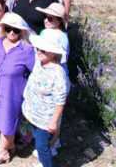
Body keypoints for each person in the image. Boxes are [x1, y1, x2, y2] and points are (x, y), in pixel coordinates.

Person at [0, 13, 36, 165]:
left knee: (8, 119)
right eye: (8, 29)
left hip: (14, 91)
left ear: (21, 31)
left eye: (15, 30)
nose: (12, 33)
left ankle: (2, 152)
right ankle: (11, 147)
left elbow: (35, 71)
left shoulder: (26, 50)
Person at [22, 31, 69, 167]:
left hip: (45, 119)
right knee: (38, 140)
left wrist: (53, 121)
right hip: (33, 113)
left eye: (43, 50)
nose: (39, 52)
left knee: (42, 147)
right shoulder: (39, 62)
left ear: (53, 53)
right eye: (38, 48)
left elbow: (60, 101)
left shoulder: (58, 74)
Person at [38, 3, 71, 75]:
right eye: (44, 17)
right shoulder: (43, 32)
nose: (46, 21)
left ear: (60, 21)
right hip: (42, 68)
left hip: (56, 71)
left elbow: (63, 58)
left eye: (50, 19)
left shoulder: (62, 36)